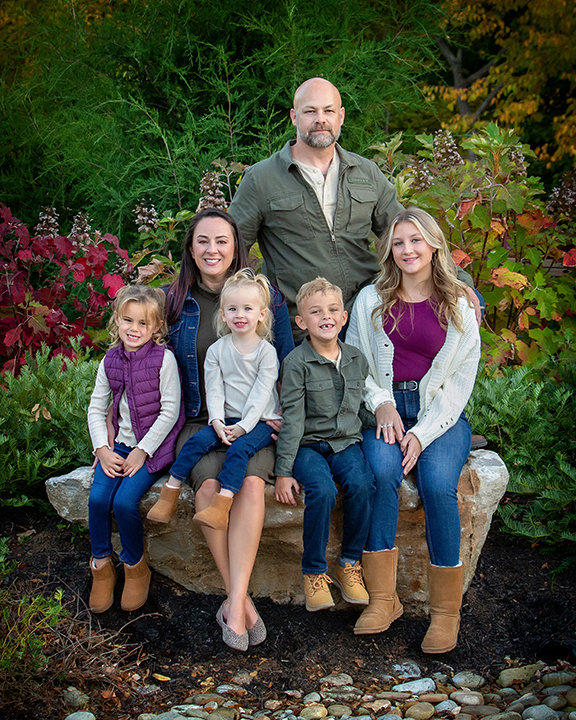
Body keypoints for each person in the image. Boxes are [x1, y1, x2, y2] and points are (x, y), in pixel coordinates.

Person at [228, 77, 480, 339]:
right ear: (294, 117)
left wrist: (457, 279)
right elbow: (231, 252)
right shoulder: (262, 178)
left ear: (341, 116)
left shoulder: (366, 173)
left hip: (366, 314)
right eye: (310, 111)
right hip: (302, 325)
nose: (320, 119)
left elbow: (408, 234)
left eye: (328, 111)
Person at [146, 207, 294, 651]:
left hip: (257, 421)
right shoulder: (172, 303)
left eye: (222, 241)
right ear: (190, 249)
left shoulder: (271, 298)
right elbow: (147, 363)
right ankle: (241, 602)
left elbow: (287, 366)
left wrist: (281, 424)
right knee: (209, 490)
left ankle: (231, 603)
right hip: (199, 420)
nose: (213, 250)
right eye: (203, 241)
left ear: (236, 247)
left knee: (249, 485)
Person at [346, 207, 481, 653]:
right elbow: (355, 364)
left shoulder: (459, 304)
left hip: (439, 417)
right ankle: (384, 600)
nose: (407, 250)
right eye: (399, 242)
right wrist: (382, 403)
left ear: (435, 245)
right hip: (383, 412)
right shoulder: (370, 299)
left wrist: (422, 433)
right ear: (390, 249)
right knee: (381, 475)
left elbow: (459, 383)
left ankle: (446, 613)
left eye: (416, 240)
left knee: (439, 484)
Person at [147, 269, 281, 531]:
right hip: (227, 417)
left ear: (261, 314)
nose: (239, 315)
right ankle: (170, 492)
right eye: (232, 309)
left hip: (261, 421)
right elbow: (215, 389)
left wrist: (244, 427)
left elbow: (261, 394)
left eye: (247, 309)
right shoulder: (217, 350)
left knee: (240, 450)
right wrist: (217, 421)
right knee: (197, 442)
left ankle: (222, 504)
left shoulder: (266, 352)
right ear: (223, 314)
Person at [275, 277, 376, 612]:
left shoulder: (356, 359)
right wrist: (283, 471)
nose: (326, 316)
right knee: (322, 490)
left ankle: (349, 564)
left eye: (332, 310)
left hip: (346, 442)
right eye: (315, 312)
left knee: (362, 484)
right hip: (308, 445)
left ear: (344, 317)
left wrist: (396, 427)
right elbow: (292, 420)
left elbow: (361, 408)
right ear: (302, 322)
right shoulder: (296, 363)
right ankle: (314, 572)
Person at [86, 285, 185, 614]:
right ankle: (101, 565)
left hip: (151, 448)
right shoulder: (110, 359)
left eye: (143, 323)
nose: (134, 329)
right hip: (117, 445)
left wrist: (143, 451)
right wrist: (101, 448)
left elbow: (170, 412)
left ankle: (134, 566)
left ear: (156, 327)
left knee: (126, 502)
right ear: (116, 319)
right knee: (99, 498)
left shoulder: (163, 359)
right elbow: (96, 408)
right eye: (127, 320)